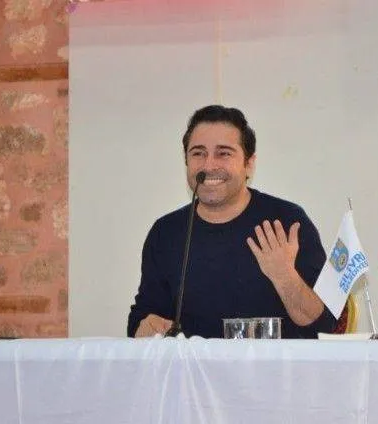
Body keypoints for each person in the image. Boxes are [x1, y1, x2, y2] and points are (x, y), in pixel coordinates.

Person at [127, 105, 336, 338]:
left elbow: (325, 326)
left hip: (274, 363)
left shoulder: (286, 223)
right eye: (198, 153)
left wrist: (284, 276)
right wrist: (147, 326)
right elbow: (141, 319)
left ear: (249, 164)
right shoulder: (166, 233)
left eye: (223, 153)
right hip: (192, 363)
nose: (208, 166)